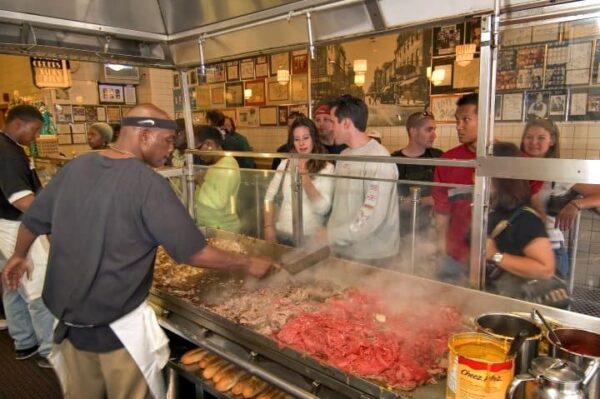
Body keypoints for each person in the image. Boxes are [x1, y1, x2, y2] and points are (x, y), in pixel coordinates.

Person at [2, 104, 274, 398]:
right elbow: (193, 253)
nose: (171, 149)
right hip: (116, 334)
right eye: (168, 140)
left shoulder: (77, 166)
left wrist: (18, 255)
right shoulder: (148, 184)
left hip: (67, 328)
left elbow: (33, 219)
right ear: (144, 134)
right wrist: (247, 263)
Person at [0, 104, 55, 367]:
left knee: (12, 283)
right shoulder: (7, 153)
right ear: (18, 124)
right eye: (34, 130)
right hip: (16, 225)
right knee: (38, 286)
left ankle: (24, 341)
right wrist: (53, 222)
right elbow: (22, 200)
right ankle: (48, 349)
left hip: (5, 224)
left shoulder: (11, 149)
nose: (35, 136)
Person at [520, 117, 600, 277]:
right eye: (529, 137)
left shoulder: (560, 172)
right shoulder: (513, 168)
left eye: (541, 138)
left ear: (552, 141)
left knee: (551, 301)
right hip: (517, 246)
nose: (533, 142)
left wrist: (576, 204)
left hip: (550, 247)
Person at [325, 95, 400, 265]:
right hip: (344, 250)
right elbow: (339, 204)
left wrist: (330, 235)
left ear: (346, 123)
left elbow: (370, 217)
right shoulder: (343, 156)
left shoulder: (379, 159)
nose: (330, 127)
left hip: (372, 255)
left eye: (332, 121)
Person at [486, 142, 555, 298]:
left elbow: (545, 269)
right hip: (494, 295)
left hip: (518, 303)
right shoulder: (493, 210)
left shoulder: (525, 218)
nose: (474, 177)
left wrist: (495, 255)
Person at [263, 117, 334, 245]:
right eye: (297, 139)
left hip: (311, 238)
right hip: (283, 234)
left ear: (314, 138)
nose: (301, 143)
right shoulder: (285, 164)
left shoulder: (327, 167)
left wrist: (304, 176)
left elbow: (323, 208)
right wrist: (268, 227)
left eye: (306, 138)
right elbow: (269, 198)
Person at [432, 93, 479, 284]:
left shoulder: (507, 159)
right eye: (457, 120)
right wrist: (442, 252)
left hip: (494, 261)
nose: (459, 126)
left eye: (466, 120)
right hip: (455, 258)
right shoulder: (448, 161)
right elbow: (441, 214)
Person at [392, 111, 443, 236]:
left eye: (434, 130)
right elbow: (388, 199)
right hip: (401, 230)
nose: (434, 135)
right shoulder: (394, 161)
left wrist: (417, 201)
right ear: (413, 132)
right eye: (429, 130)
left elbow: (446, 195)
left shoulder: (439, 157)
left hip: (431, 230)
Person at [194, 128, 241, 232]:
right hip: (211, 226)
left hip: (222, 229)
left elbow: (218, 202)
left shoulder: (227, 165)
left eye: (198, 149)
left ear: (209, 144)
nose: (198, 154)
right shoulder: (215, 165)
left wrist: (201, 181)